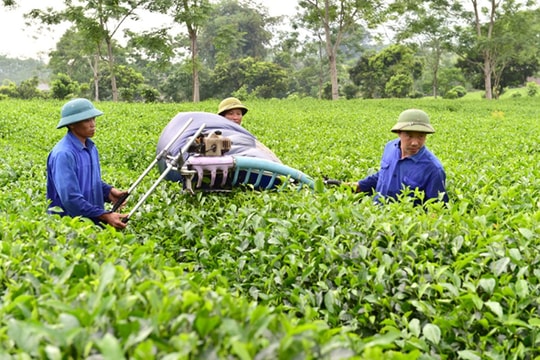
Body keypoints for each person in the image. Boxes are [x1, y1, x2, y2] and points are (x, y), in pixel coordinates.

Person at [46, 98, 128, 229]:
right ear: (72, 124)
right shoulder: (64, 154)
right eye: (86, 120)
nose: (92, 124)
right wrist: (104, 215)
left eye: (93, 119)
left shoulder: (91, 147)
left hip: (92, 224)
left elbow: (90, 181)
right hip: (69, 227)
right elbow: (70, 198)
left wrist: (109, 192)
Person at [347, 109, 448, 205]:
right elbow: (383, 175)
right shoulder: (390, 147)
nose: (415, 143)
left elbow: (437, 209)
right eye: (409, 136)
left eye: (421, 136)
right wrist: (357, 186)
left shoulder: (433, 169)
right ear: (399, 133)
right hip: (376, 214)